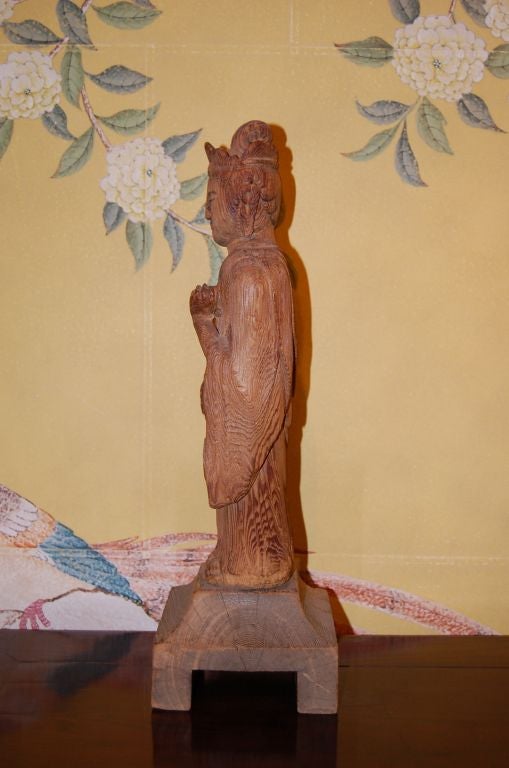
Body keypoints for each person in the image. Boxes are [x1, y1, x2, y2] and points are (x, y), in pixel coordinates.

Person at [190, 121, 295, 588]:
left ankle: (251, 564)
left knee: (249, 508)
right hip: (257, 448)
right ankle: (240, 554)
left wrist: (201, 325)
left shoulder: (251, 274)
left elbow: (244, 395)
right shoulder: (254, 265)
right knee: (246, 506)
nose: (206, 211)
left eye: (212, 201)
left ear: (241, 203)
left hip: (250, 452)